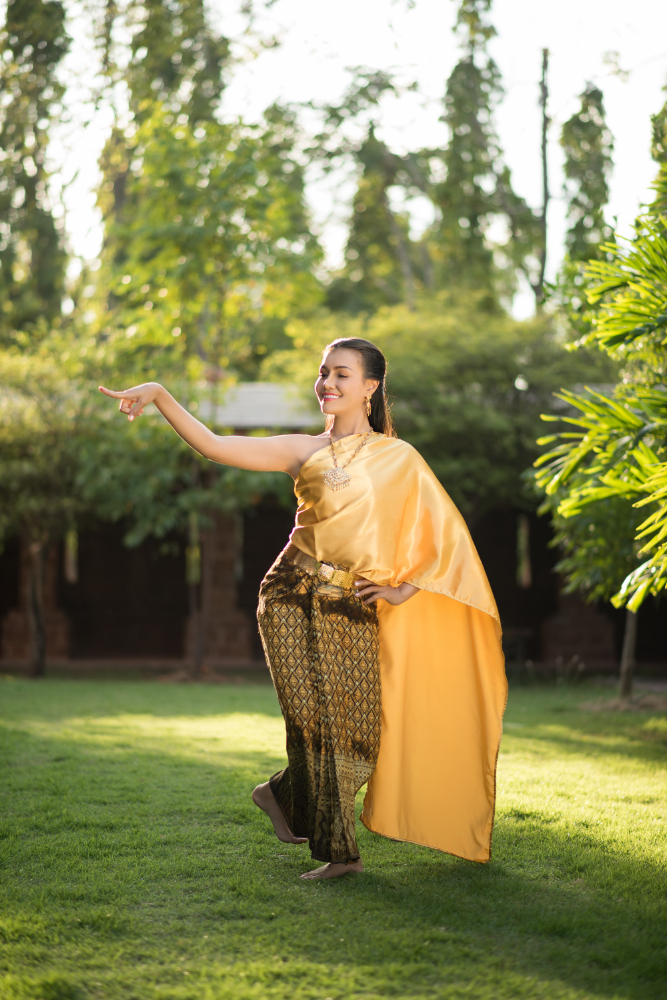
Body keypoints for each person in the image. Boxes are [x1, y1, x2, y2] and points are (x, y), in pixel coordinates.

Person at [100, 337, 506, 880]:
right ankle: (343, 856)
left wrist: (404, 588)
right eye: (323, 374)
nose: (328, 384)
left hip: (354, 605)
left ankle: (277, 793)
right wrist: (159, 395)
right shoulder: (304, 451)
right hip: (292, 595)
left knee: (363, 739)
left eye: (341, 374)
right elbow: (215, 445)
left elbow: (442, 534)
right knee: (317, 729)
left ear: (371, 387)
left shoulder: (400, 458)